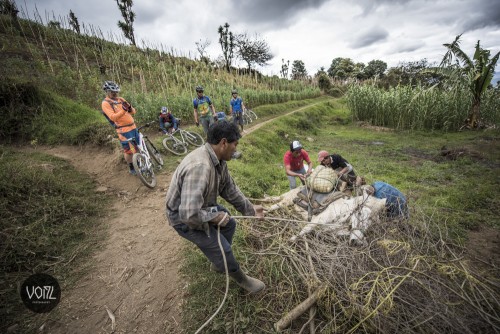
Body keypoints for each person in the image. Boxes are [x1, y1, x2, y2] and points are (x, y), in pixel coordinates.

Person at [165, 121, 266, 294]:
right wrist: (213, 217)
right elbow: (188, 215)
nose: (236, 149)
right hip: (183, 218)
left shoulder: (218, 159)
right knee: (224, 250)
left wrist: (250, 209)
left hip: (201, 207)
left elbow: (229, 189)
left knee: (230, 223)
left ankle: (218, 262)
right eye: (235, 144)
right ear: (224, 143)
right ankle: (242, 280)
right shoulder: (200, 167)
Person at [101, 81, 139, 175]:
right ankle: (131, 167)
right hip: (123, 130)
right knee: (128, 150)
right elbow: (113, 117)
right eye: (113, 92)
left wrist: (130, 109)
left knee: (137, 146)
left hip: (133, 126)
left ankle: (138, 162)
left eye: (116, 92)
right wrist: (123, 110)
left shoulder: (121, 99)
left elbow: (133, 112)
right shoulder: (105, 103)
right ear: (107, 92)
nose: (115, 94)